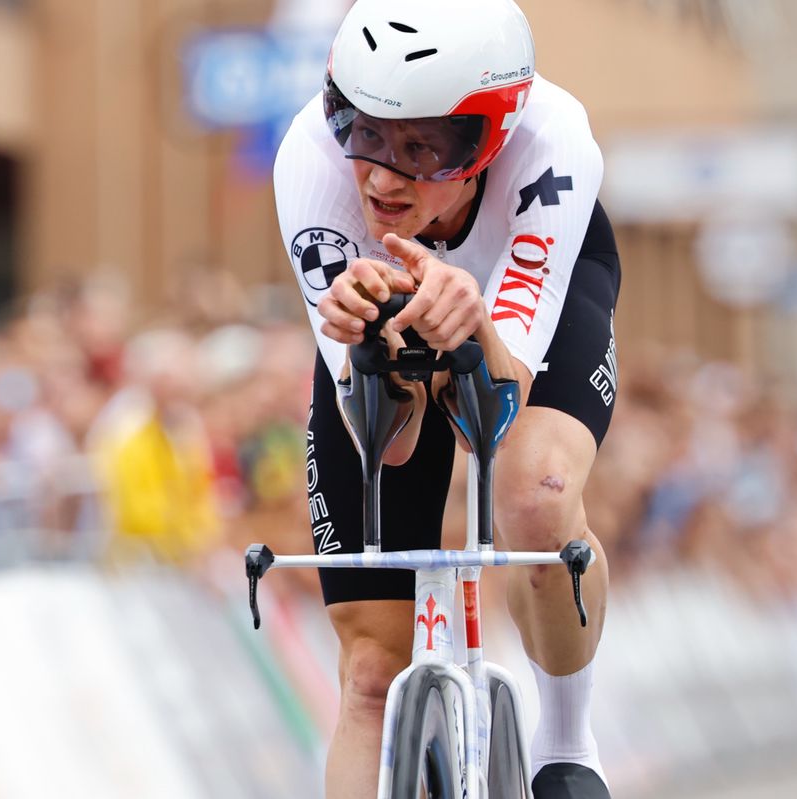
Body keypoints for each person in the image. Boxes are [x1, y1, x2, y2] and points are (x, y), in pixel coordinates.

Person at [274, 1, 620, 796]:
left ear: (486, 140)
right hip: (392, 334)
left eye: (420, 146)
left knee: (535, 493)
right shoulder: (308, 165)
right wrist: (373, 346)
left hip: (524, 310)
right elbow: (388, 446)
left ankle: (566, 743)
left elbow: (490, 422)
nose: (381, 176)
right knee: (369, 671)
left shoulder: (554, 142)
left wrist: (476, 328)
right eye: (361, 131)